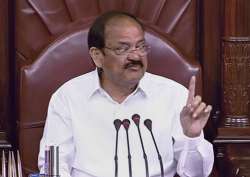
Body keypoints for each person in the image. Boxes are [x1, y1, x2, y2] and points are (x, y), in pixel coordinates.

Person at [38, 11, 214, 177]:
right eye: (123, 49)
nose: (135, 56)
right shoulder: (67, 97)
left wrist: (193, 136)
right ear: (97, 56)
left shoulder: (174, 96)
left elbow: (195, 174)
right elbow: (53, 166)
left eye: (141, 46)